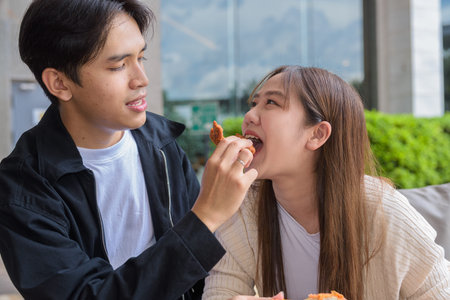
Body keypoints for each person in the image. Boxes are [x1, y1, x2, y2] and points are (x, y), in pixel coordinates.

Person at [0, 0, 257, 299]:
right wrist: (205, 218)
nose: (141, 79)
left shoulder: (164, 144)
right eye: (118, 65)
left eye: (141, 58)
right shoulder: (23, 188)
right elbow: (86, 295)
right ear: (60, 82)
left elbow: (201, 277)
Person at [202, 66, 450, 299]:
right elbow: (220, 291)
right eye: (254, 103)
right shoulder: (243, 208)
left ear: (317, 134)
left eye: (271, 103)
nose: (249, 116)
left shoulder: (384, 211)